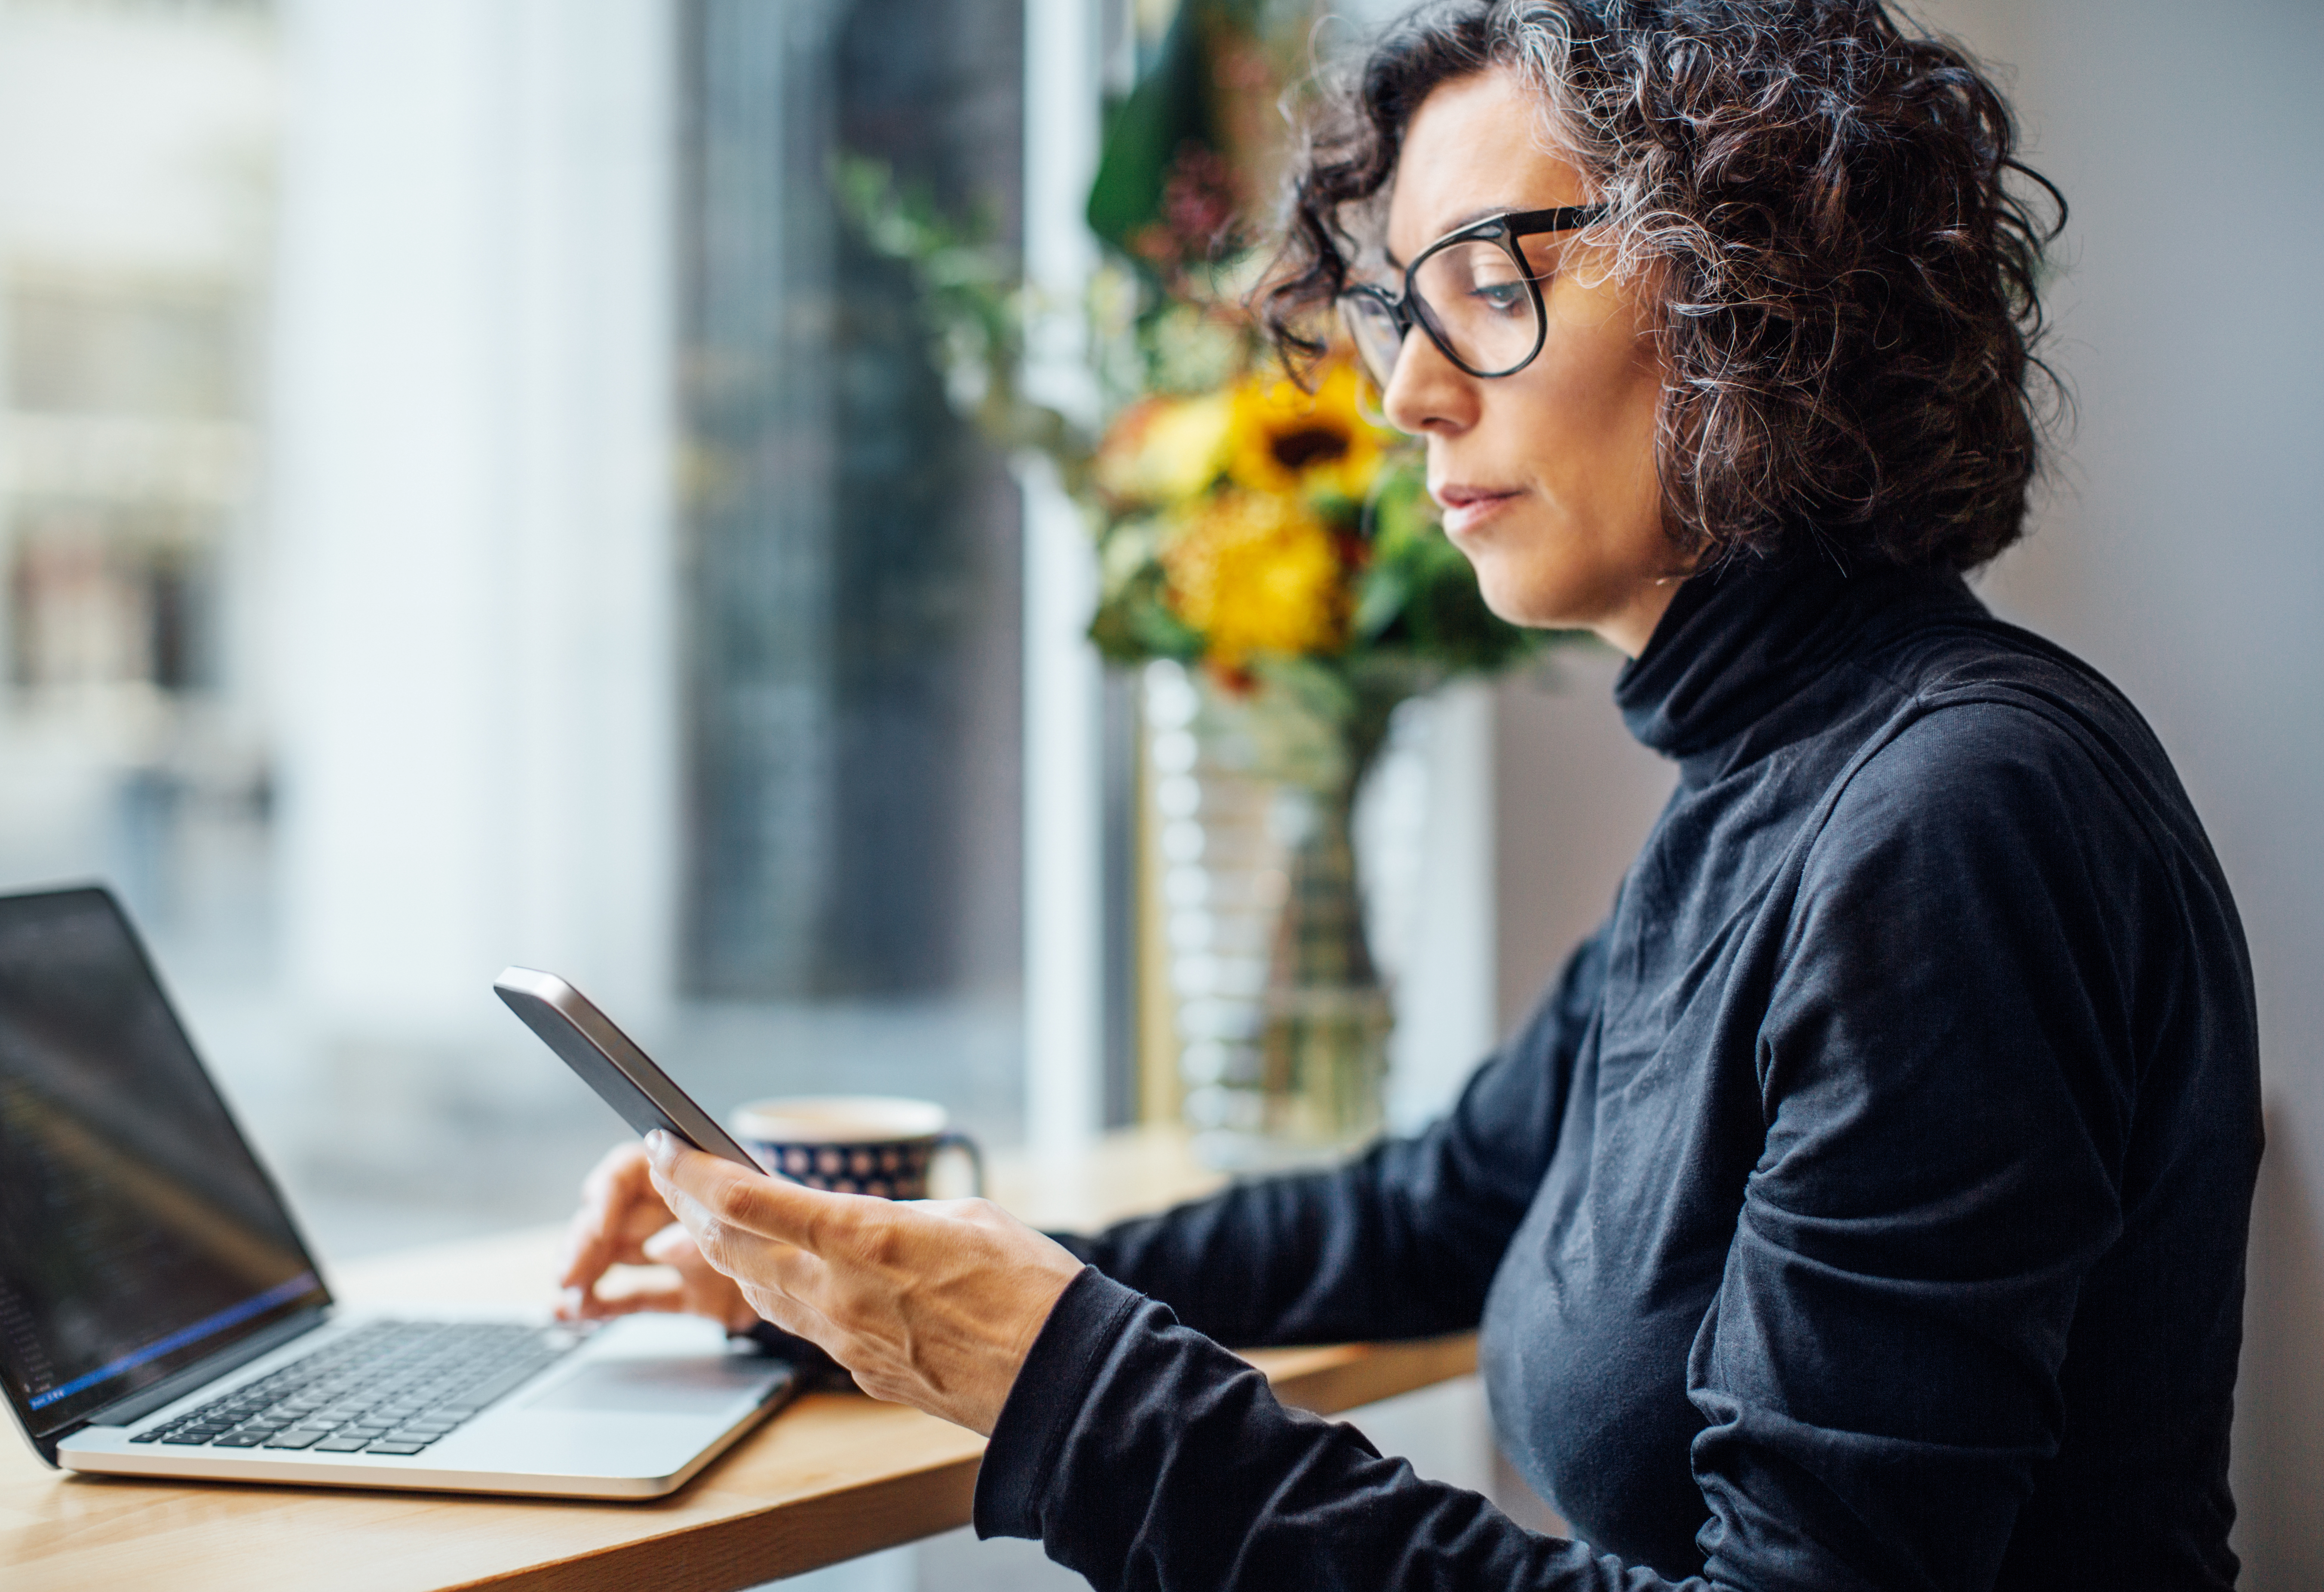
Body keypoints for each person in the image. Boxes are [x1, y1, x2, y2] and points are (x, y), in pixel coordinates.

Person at [556, 3, 2261, 1587]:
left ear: (1764, 285)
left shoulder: (1953, 820)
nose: (1404, 391)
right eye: (1399, 304)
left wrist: (1067, 1383)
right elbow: (1427, 1209)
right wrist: (876, 1284)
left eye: (1489, 282)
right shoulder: (1779, 784)